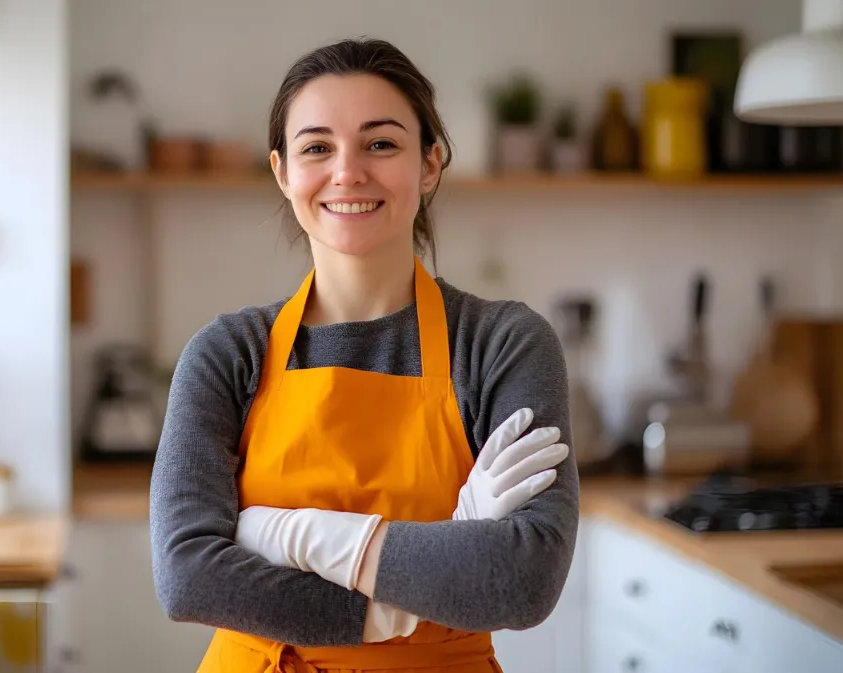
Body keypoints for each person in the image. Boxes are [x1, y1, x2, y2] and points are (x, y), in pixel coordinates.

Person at [149, 37, 580, 672]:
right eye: (317, 147)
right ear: (283, 172)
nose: (348, 172)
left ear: (430, 164)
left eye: (381, 143)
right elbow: (188, 577)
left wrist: (285, 535)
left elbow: (521, 581)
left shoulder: (501, 345)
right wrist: (393, 607)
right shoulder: (227, 353)